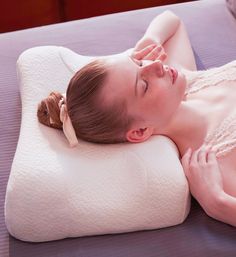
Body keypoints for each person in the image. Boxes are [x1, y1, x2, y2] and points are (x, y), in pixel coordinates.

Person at [37, 11, 236, 227]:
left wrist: (150, 40)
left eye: (139, 63)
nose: (156, 66)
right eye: (144, 85)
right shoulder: (214, 162)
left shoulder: (187, 82)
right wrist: (217, 203)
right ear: (140, 131)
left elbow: (172, 20)